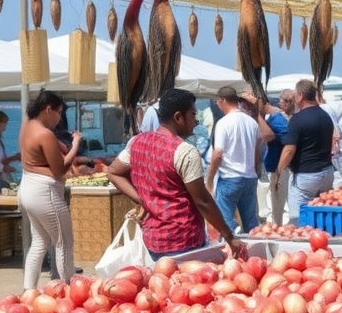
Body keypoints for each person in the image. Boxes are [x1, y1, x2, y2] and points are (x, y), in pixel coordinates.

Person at [106, 87, 247, 259]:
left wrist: (143, 199)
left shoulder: (136, 142)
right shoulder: (185, 152)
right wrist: (229, 236)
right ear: (179, 117)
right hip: (184, 241)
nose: (197, 121)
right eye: (193, 115)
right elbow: (203, 201)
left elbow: (113, 172)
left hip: (153, 240)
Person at [18, 90, 81, 289]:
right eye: (59, 112)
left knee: (39, 242)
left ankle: (29, 290)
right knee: (64, 243)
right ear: (48, 110)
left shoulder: (27, 125)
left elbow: (32, 161)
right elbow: (60, 169)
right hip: (45, 193)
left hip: (27, 187)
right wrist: (76, 144)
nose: (59, 118)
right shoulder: (45, 134)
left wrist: (59, 146)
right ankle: (69, 290)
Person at [272, 79, 335, 226]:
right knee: (321, 214)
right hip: (327, 171)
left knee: (298, 218)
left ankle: (303, 242)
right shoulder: (326, 116)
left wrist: (278, 172)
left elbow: (289, 149)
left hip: (306, 175)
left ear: (300, 96)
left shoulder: (297, 119)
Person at [207, 87, 261, 235]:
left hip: (230, 177)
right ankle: (256, 250)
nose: (218, 105)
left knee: (225, 220)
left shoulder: (223, 123)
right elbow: (256, 151)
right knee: (251, 221)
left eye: (218, 102)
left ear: (223, 100)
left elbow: (217, 153)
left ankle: (232, 247)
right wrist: (254, 170)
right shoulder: (252, 123)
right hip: (249, 176)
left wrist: (210, 179)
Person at [257, 90, 292, 224]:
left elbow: (287, 138)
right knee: (276, 204)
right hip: (278, 168)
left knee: (278, 205)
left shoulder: (276, 118)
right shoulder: (274, 117)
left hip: (280, 169)